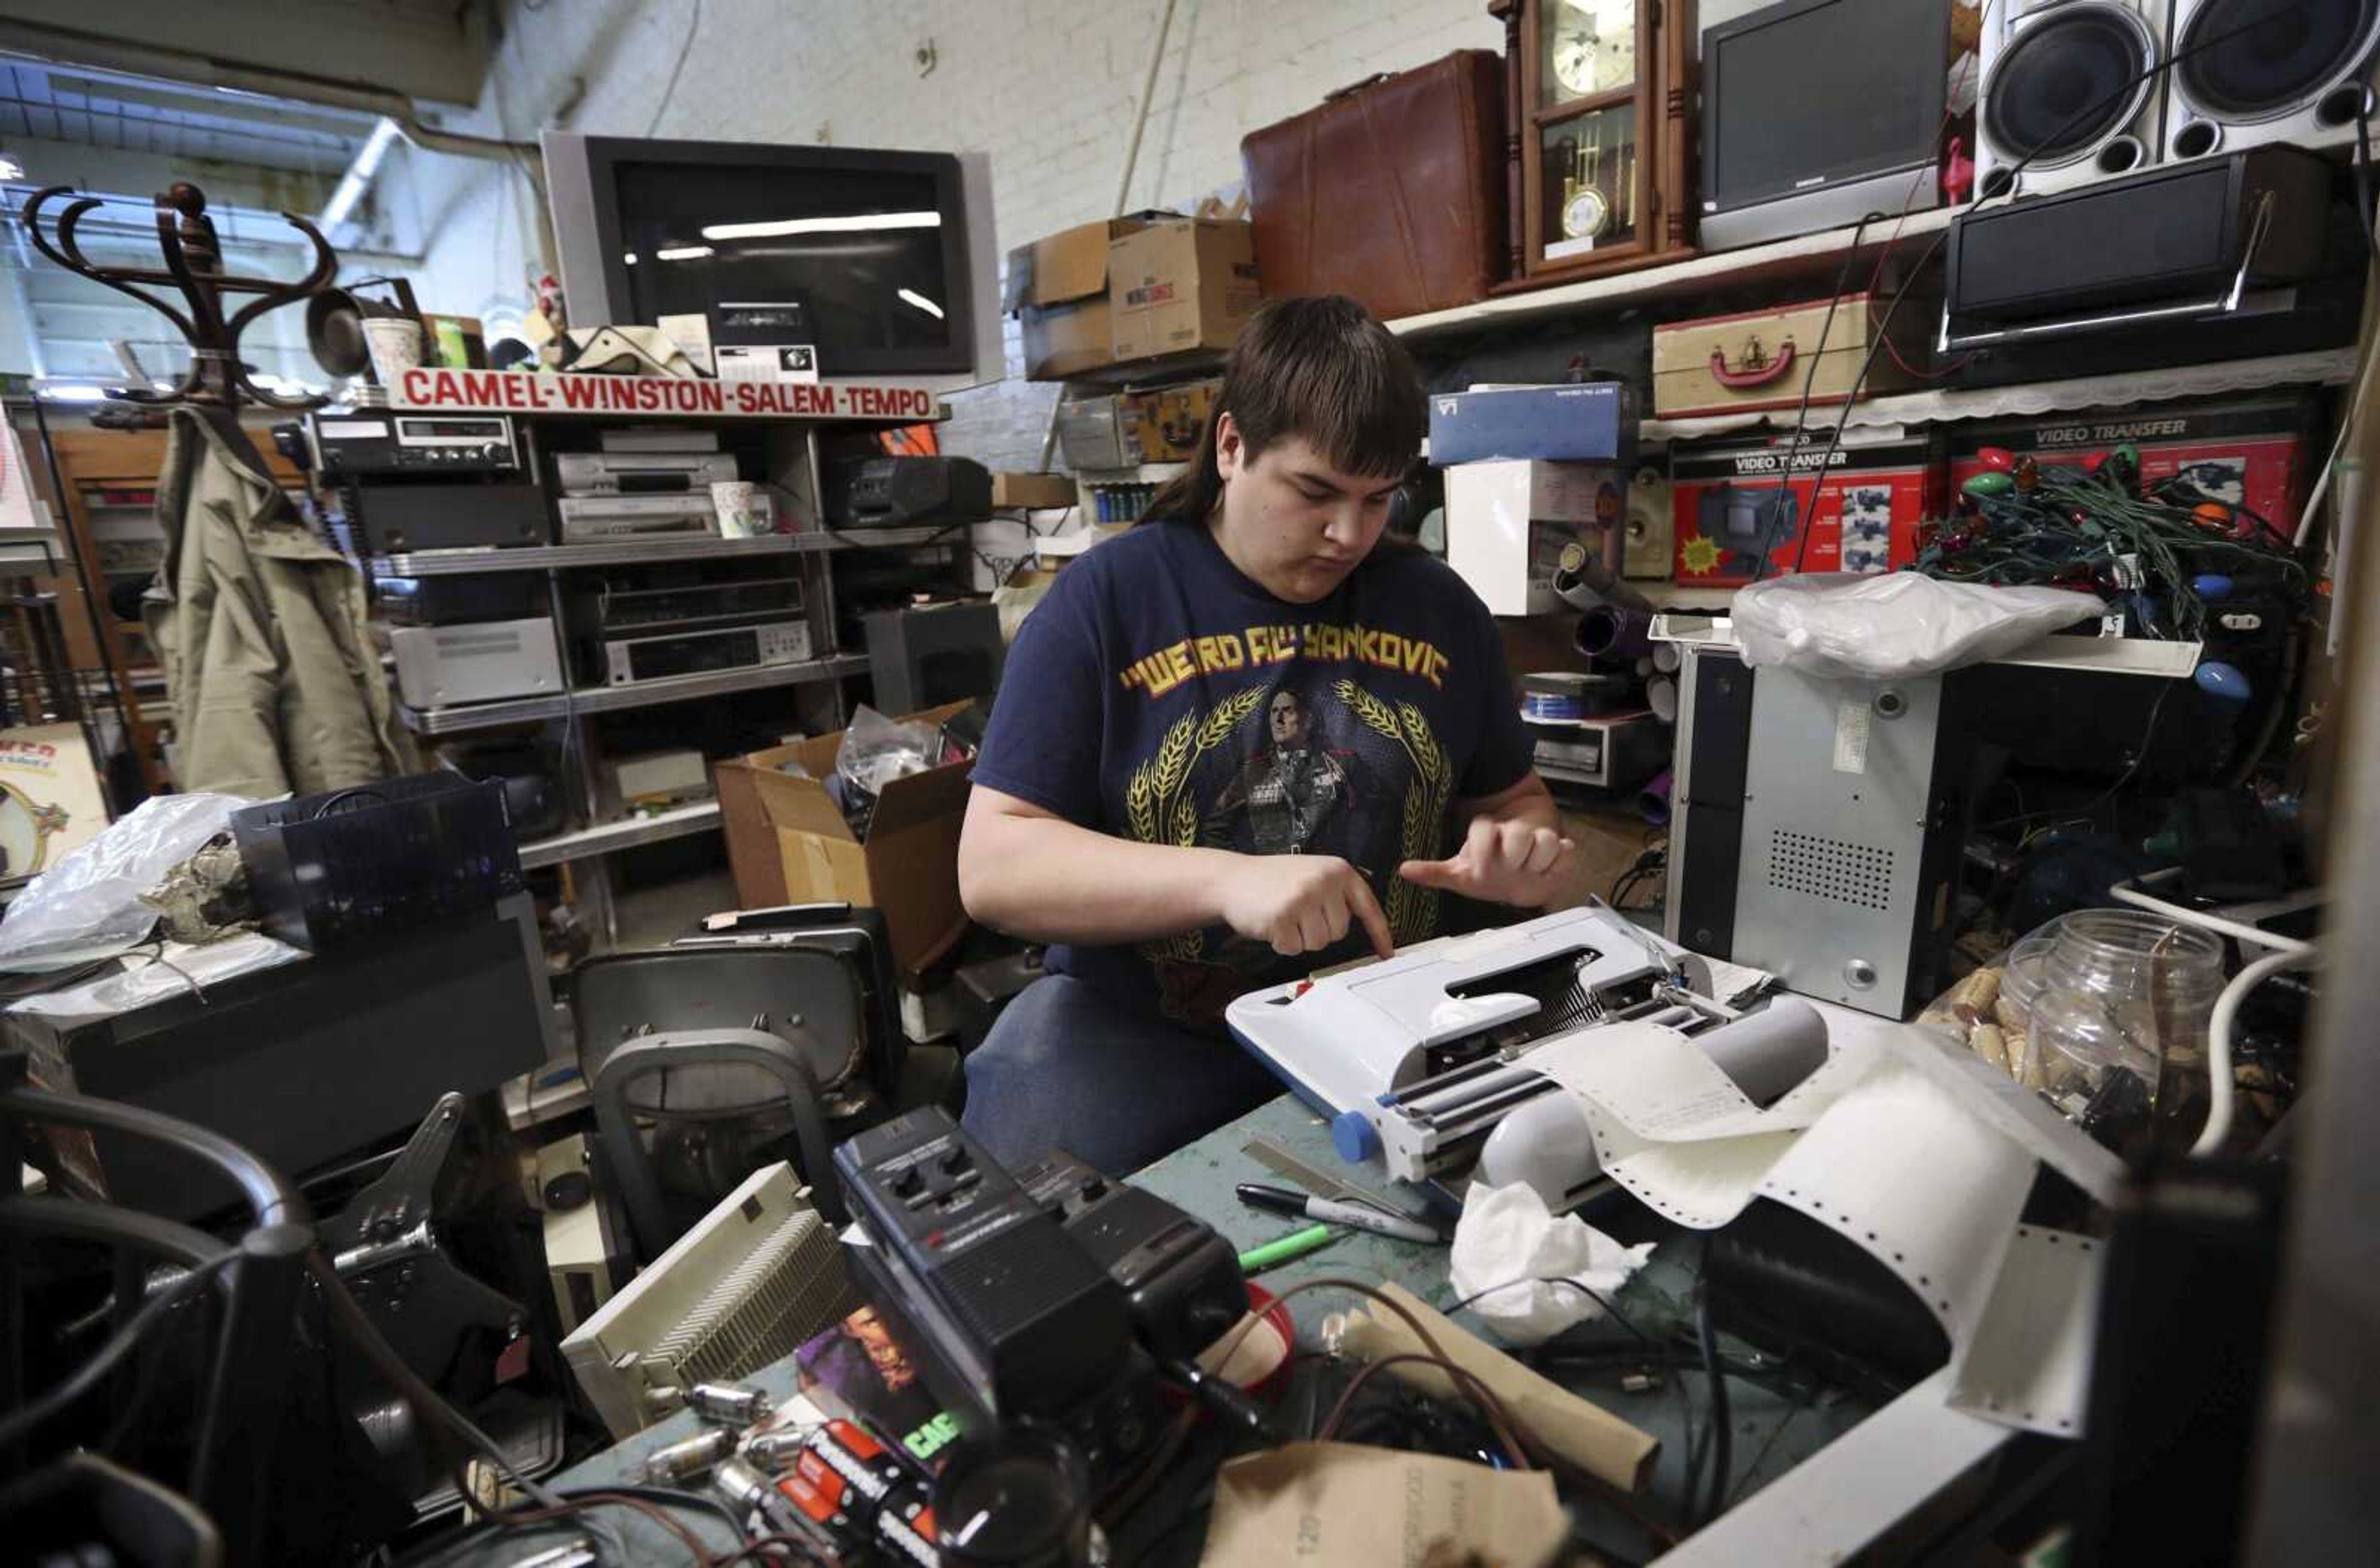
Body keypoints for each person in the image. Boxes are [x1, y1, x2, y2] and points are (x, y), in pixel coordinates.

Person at [958, 295, 1582, 1173]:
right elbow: (993, 866)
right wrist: (1227, 881)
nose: (1349, 535)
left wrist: (1521, 848)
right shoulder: (1107, 603)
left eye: (1379, 499)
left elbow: (1518, 800)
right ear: (1230, 447)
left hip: (1391, 1021)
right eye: (1316, 492)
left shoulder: (1442, 609)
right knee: (1031, 1246)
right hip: (1150, 1036)